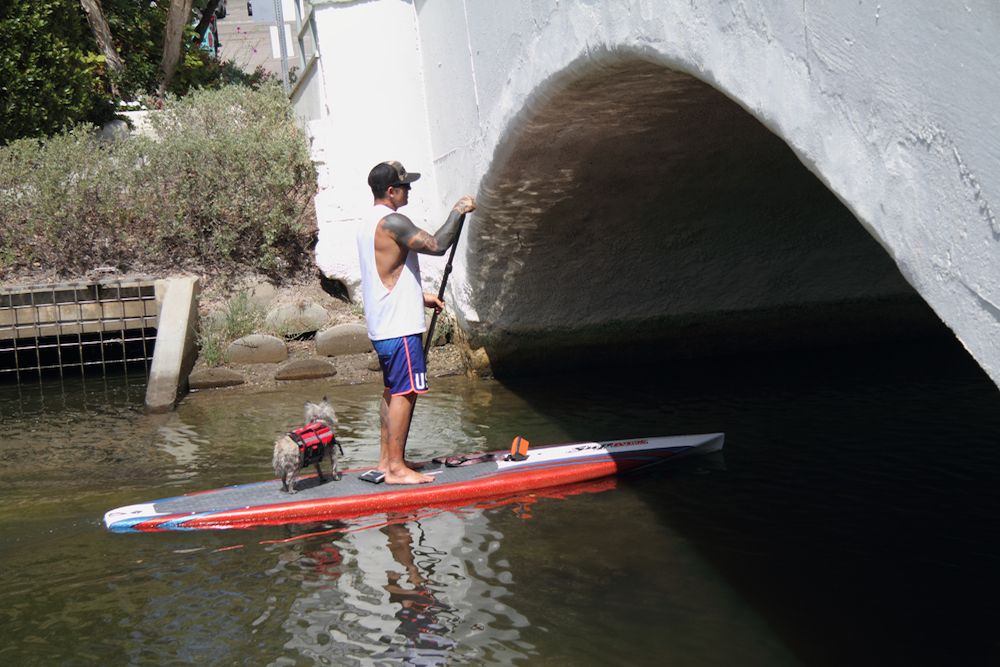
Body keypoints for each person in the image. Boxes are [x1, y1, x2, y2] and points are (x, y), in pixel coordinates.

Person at [357, 161, 476, 484]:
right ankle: (396, 469)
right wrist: (458, 212)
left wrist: (419, 296)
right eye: (405, 186)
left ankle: (387, 462)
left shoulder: (367, 222)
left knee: (392, 390)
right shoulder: (393, 221)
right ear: (391, 191)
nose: (409, 190)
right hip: (399, 328)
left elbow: (384, 271)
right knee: (406, 392)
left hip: (383, 325)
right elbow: (437, 246)